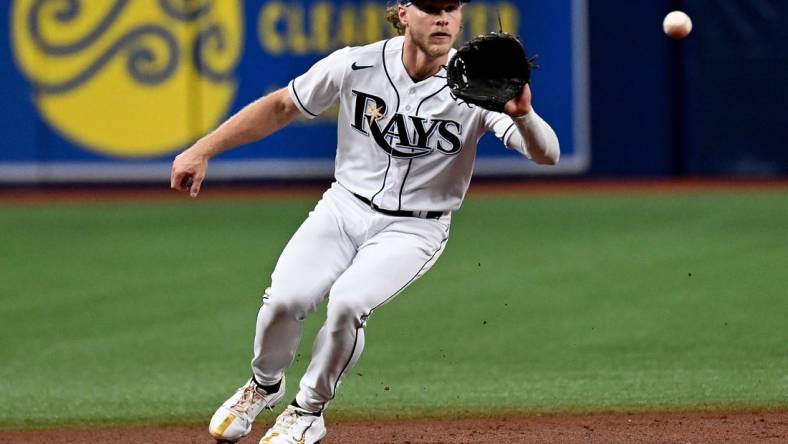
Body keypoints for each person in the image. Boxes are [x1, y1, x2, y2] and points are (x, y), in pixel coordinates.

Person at [170, 0, 559, 442]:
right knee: (285, 300)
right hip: (344, 207)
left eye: (451, 8)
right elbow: (281, 107)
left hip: (416, 226)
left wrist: (524, 115)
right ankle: (262, 386)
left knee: (348, 304)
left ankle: (307, 410)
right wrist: (203, 149)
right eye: (431, 7)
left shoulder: (475, 84)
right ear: (403, 13)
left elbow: (547, 154)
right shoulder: (356, 63)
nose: (443, 18)